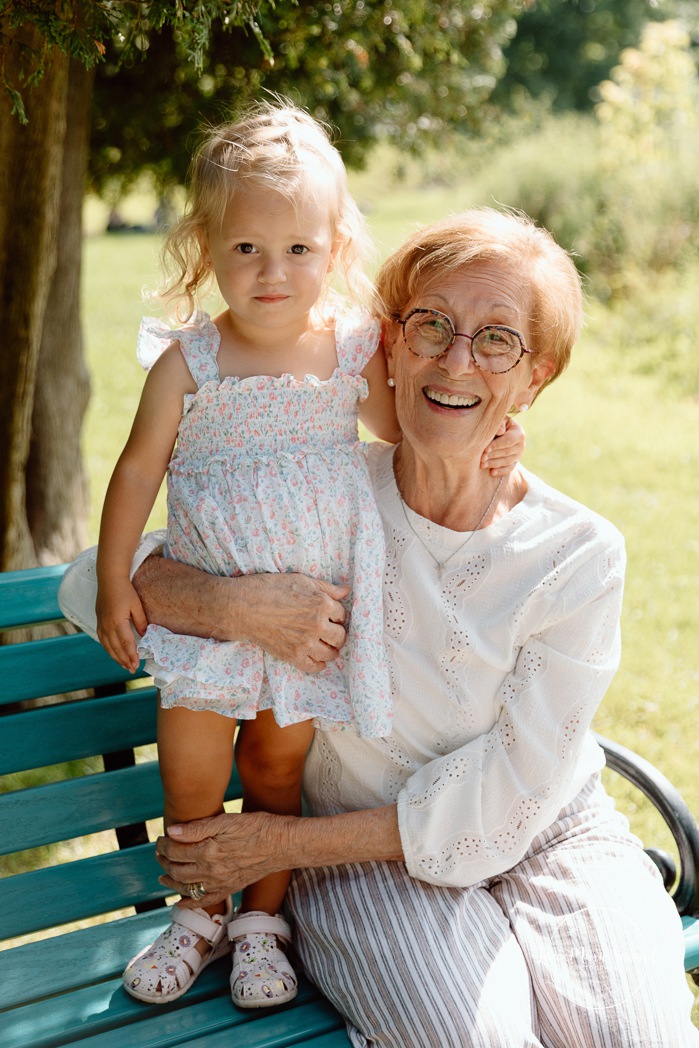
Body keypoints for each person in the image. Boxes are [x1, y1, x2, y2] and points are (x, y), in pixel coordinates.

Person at [66, 205, 699, 1047]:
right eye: (430, 324)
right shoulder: (320, 492)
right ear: (386, 346)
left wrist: (274, 840)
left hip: (548, 838)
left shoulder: (578, 553)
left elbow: (513, 787)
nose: (456, 359)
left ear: (534, 376)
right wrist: (233, 605)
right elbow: (84, 585)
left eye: (497, 339)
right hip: (356, 857)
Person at [80, 102, 526, 1013]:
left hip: (305, 629)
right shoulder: (190, 363)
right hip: (208, 636)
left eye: (297, 250)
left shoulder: (348, 351)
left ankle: (260, 927)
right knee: (195, 777)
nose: (271, 272)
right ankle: (199, 913)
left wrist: (488, 446)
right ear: (207, 246)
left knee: (278, 775)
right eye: (245, 249)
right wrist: (117, 576)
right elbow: (135, 471)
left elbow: (409, 431)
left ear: (334, 248)